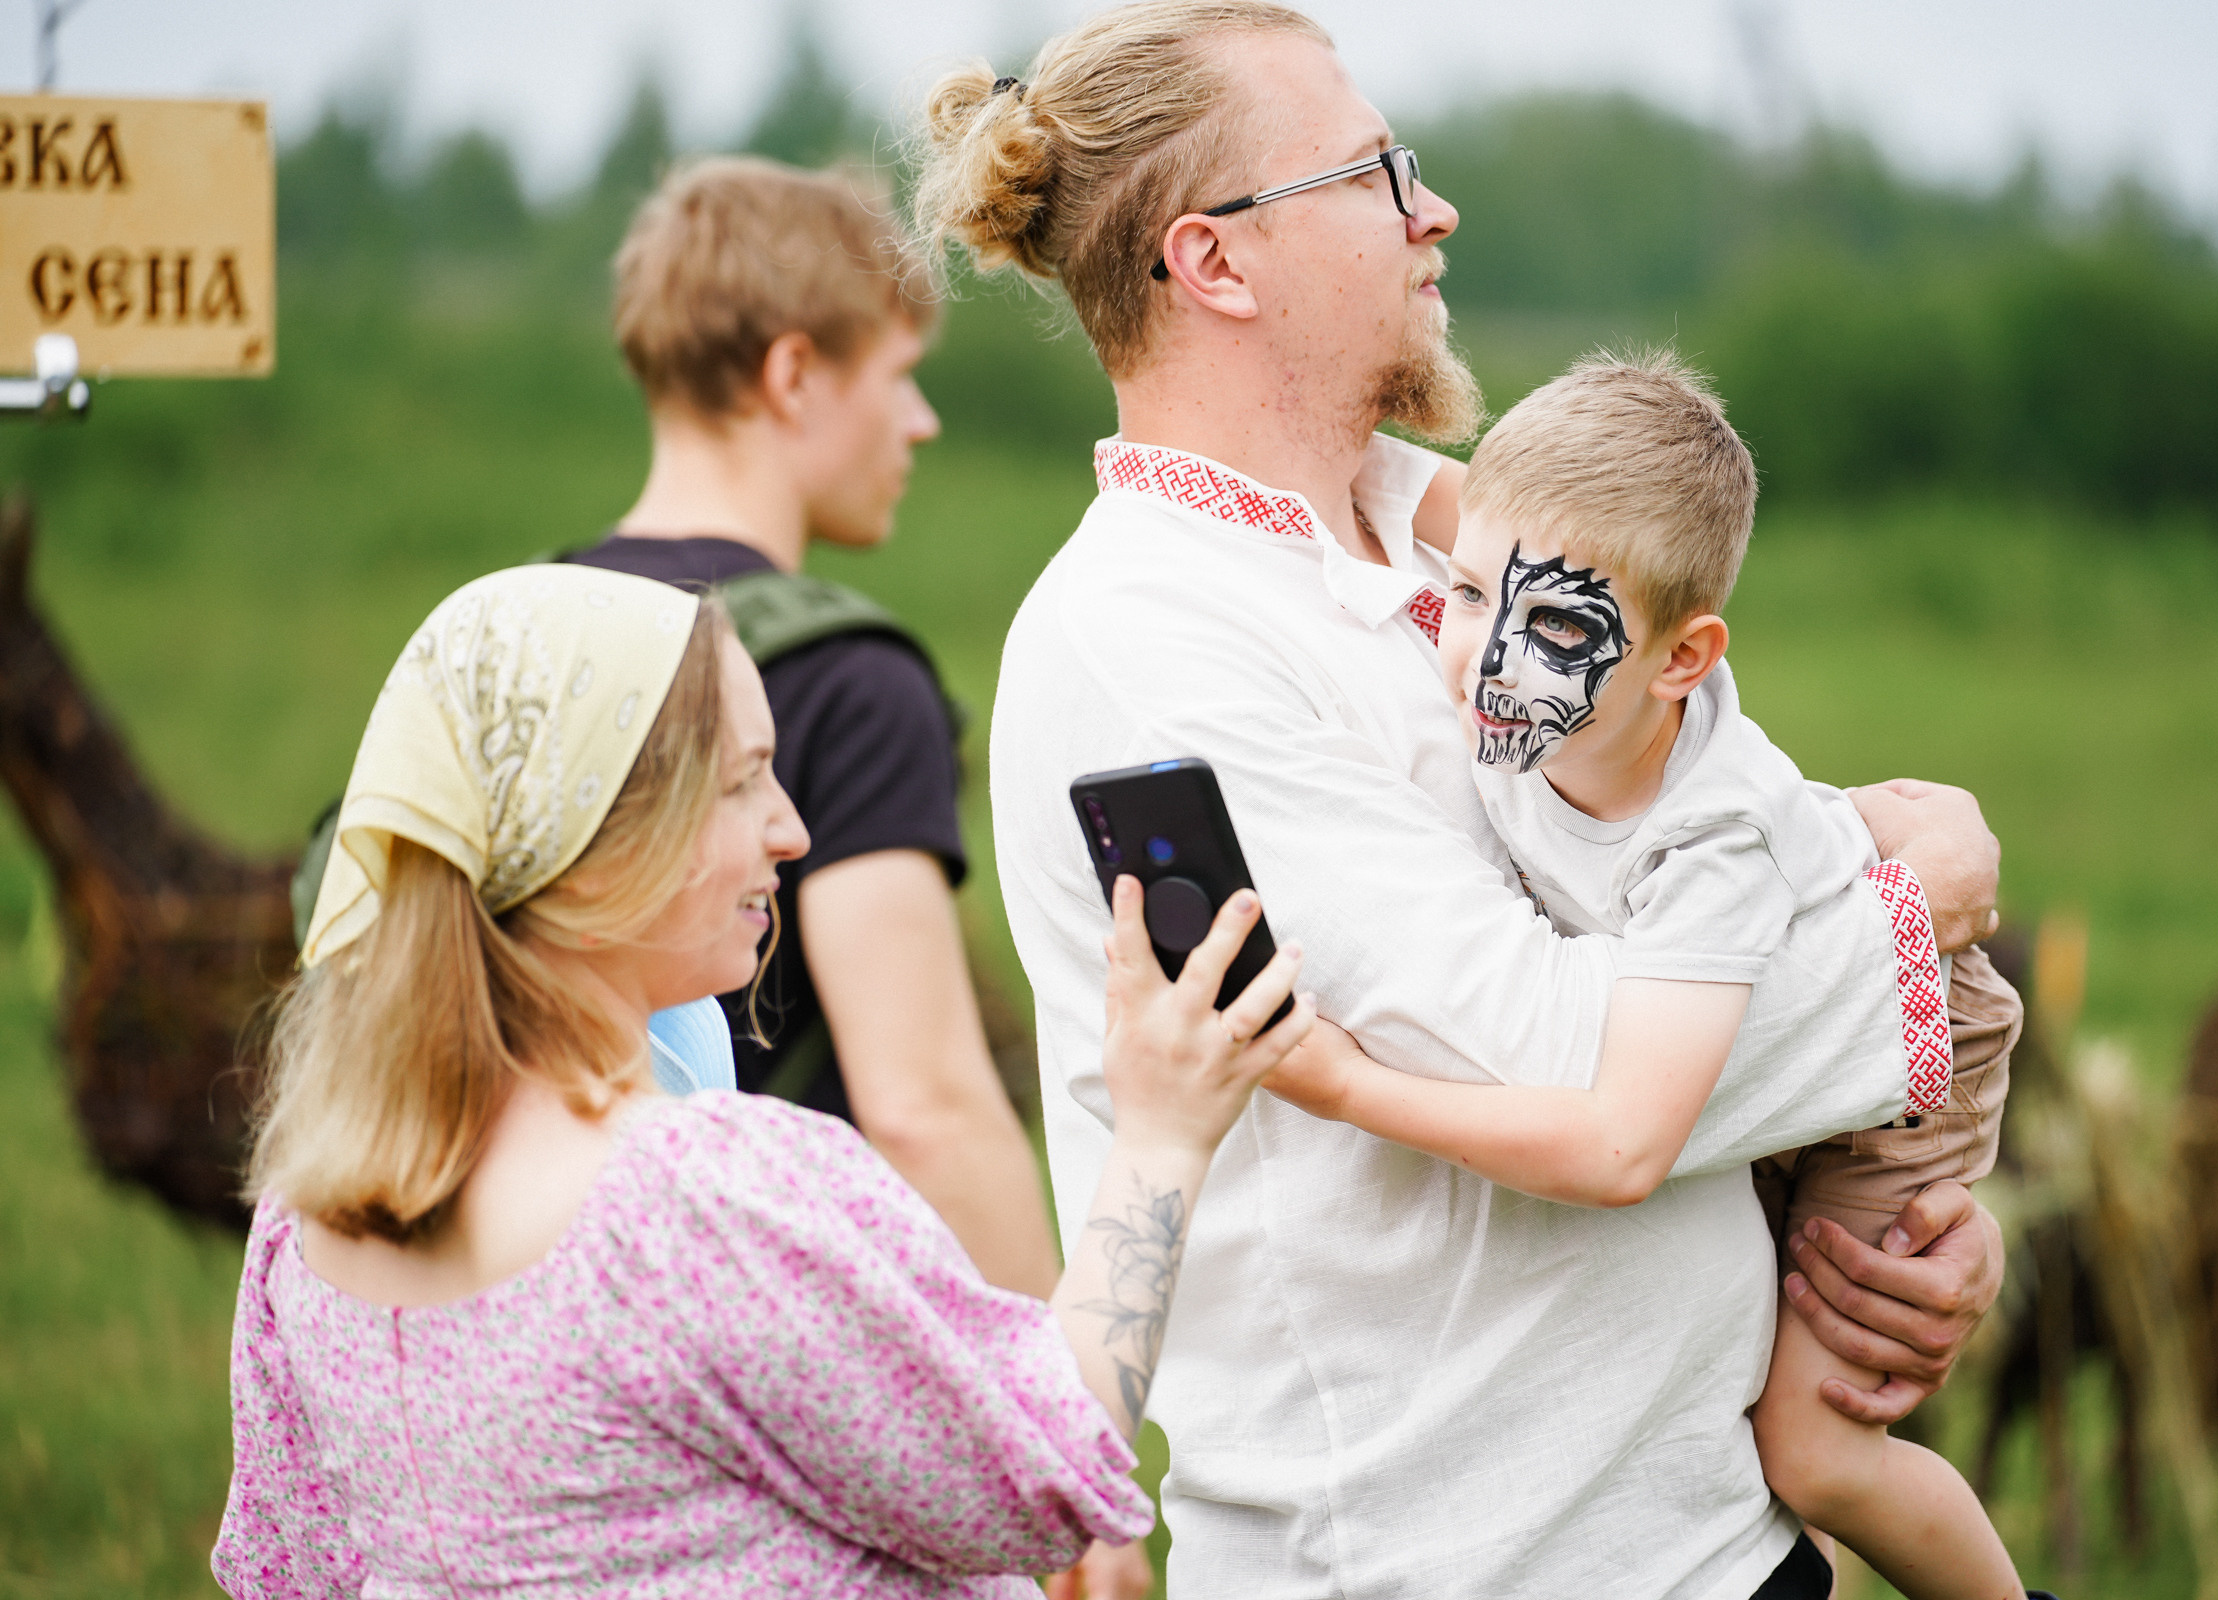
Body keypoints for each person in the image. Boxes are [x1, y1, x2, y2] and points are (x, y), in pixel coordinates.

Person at [914, 6, 2013, 1596]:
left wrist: (1886, 1203)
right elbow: (1563, 1059)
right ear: (1216, 263)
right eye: (1373, 172)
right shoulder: (1143, 644)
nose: (1434, 211)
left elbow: (1694, 881)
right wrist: (1916, 928)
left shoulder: (1469, 534)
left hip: (1709, 1535)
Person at [213, 564, 1315, 1594]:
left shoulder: (305, 1222)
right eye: (743, 782)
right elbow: (1048, 1471)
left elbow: (284, 1569)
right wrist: (1161, 1138)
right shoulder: (698, 1204)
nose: (791, 829)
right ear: (597, 842)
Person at [1261, 353, 2029, 1600]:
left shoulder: (1708, 843)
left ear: (1684, 659)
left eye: (1555, 629)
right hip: (1719, 999)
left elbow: (1623, 1150)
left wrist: (1344, 1085)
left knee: (1814, 1446)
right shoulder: (1537, 671)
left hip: (1896, 1051)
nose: (1485, 663)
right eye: (1464, 596)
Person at [568, 156, 1062, 1304]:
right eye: (897, 377)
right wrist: (1059, 1419)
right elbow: (923, 1102)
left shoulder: (537, 619)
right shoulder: (849, 678)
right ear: (794, 374)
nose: (922, 421)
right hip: (759, 1318)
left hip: (556, 1298)